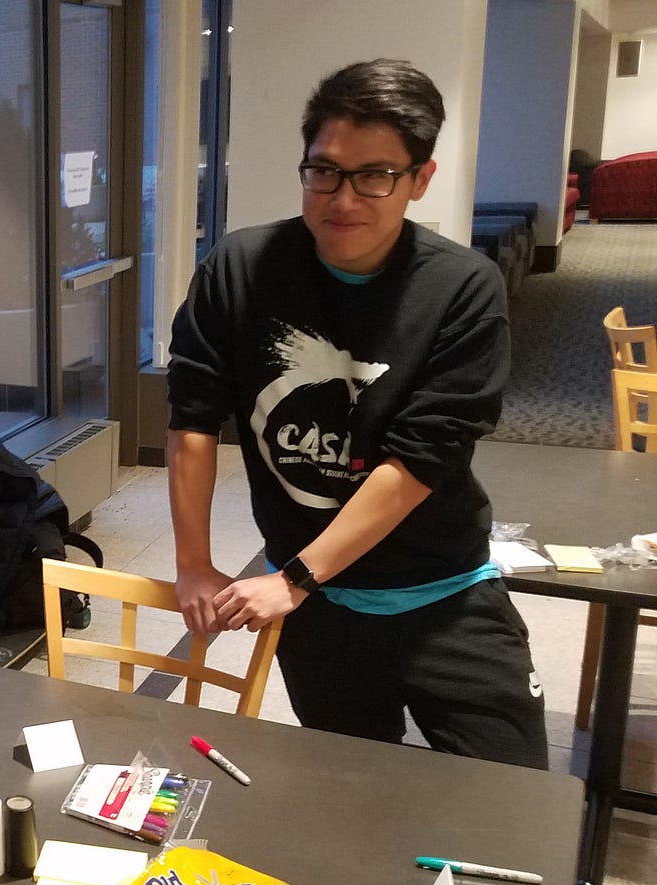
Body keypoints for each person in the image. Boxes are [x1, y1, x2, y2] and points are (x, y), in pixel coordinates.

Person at [165, 59, 547, 769]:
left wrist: (294, 580)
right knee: (348, 789)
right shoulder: (240, 269)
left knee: (512, 796)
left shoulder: (462, 288)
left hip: (442, 592)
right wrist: (192, 563)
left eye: (375, 175)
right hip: (319, 612)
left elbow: (419, 462)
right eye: (325, 171)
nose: (343, 198)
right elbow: (192, 420)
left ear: (420, 180)